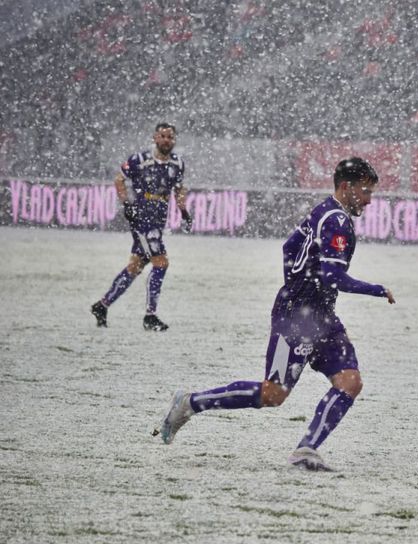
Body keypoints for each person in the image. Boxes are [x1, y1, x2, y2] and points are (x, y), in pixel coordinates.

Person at [153, 157, 395, 471]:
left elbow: (288, 246)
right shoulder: (334, 220)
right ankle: (189, 403)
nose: (368, 199)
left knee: (350, 382)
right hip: (297, 318)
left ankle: (306, 451)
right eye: (364, 191)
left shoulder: (325, 211)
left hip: (321, 315)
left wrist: (296, 281)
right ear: (346, 186)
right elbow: (334, 278)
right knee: (273, 393)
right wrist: (375, 289)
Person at [90, 122, 192, 331]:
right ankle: (150, 316)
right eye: (162, 136)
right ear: (155, 137)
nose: (166, 140)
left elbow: (179, 189)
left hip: (158, 219)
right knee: (161, 263)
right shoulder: (140, 160)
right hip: (143, 220)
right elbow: (119, 179)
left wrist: (184, 212)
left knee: (135, 266)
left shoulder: (177, 163)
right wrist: (127, 204)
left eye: (170, 137)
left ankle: (102, 305)